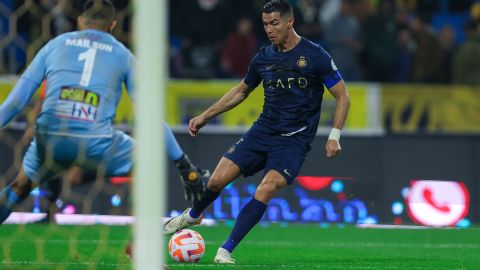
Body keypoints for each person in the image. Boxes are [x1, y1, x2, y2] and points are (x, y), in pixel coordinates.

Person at [164, 0, 350, 264]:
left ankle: (225, 249)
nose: (269, 29)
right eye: (265, 24)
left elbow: (342, 96)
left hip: (293, 142)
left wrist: (334, 136)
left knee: (266, 188)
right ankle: (194, 214)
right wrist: (205, 116)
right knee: (215, 181)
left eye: (274, 23)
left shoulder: (315, 55)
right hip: (261, 133)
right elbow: (241, 91)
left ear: (290, 22)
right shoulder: (264, 57)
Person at [0, 0, 207, 225]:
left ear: (80, 21)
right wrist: (183, 165)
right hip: (93, 141)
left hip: (50, 135)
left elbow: (16, 102)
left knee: (20, 186)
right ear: (113, 26)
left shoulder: (55, 44)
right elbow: (149, 115)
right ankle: (142, 250)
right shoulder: (124, 55)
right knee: (150, 164)